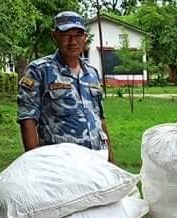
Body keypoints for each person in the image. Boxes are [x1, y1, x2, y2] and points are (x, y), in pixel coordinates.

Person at [17, 11, 114, 163]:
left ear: (85, 38)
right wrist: (34, 165)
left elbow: (100, 120)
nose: (72, 41)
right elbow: (27, 120)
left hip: (96, 160)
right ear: (55, 37)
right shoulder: (40, 70)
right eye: (66, 35)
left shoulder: (92, 73)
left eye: (78, 35)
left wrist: (111, 162)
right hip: (60, 163)